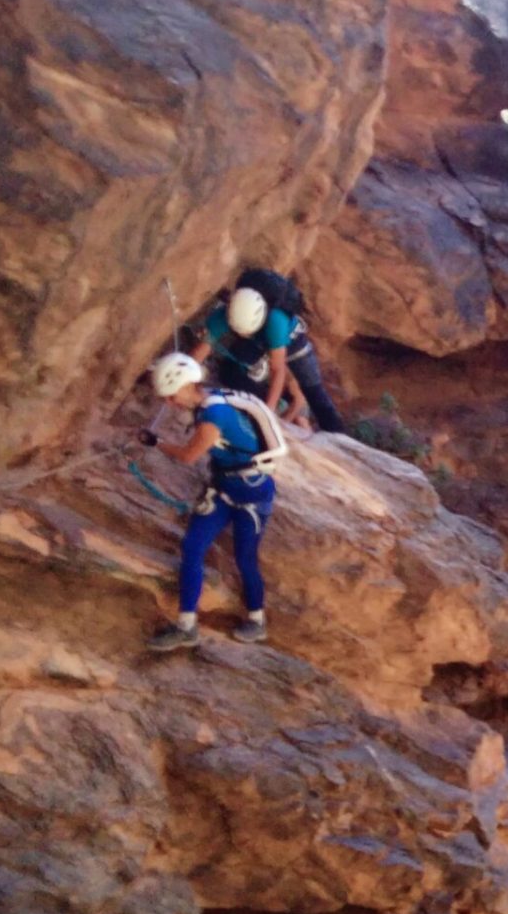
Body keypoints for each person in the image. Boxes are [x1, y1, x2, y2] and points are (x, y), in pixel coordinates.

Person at [135, 352, 284, 650]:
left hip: (250, 493)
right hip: (226, 488)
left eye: (170, 395)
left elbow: (189, 456)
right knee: (192, 548)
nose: (169, 403)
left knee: (245, 558)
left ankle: (257, 620)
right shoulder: (208, 399)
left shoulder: (214, 415)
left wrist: (156, 443)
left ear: (186, 386)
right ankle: (186, 626)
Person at [236, 266, 349, 434]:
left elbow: (278, 369)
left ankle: (337, 435)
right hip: (265, 338)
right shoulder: (242, 306)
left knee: (315, 393)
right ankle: (253, 404)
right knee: (233, 369)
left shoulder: (276, 321)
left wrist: (267, 413)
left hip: (295, 346)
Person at [198, 285, 296, 415]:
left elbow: (278, 369)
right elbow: (203, 347)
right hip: (255, 343)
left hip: (274, 337)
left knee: (231, 373)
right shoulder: (223, 316)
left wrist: (268, 410)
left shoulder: (276, 324)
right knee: (228, 371)